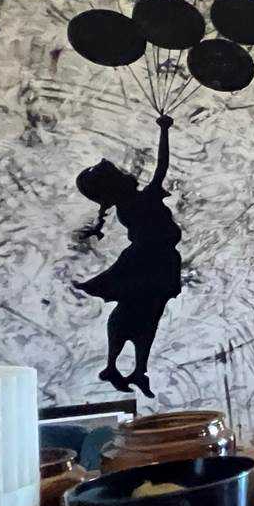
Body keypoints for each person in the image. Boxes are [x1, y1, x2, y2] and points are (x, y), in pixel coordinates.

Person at [73, 113, 182, 398]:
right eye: (119, 175)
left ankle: (132, 369)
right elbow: (162, 165)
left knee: (142, 313)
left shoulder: (127, 206)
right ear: (116, 185)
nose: (126, 174)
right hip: (151, 263)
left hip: (158, 262)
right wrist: (164, 130)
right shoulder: (146, 198)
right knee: (142, 314)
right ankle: (122, 367)